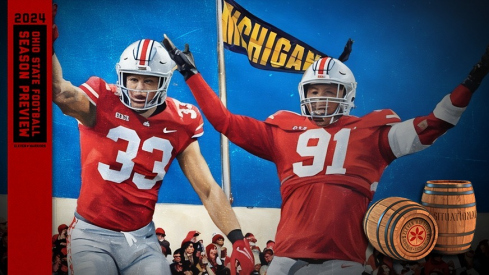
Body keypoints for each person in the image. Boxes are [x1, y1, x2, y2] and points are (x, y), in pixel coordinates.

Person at [162, 34, 489, 275]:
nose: (320, 98)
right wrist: (192, 75)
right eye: (314, 90)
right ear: (303, 94)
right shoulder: (283, 131)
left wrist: (471, 81)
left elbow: (436, 123)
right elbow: (224, 121)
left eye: (329, 90)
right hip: (286, 255)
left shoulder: (373, 133)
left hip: (341, 259)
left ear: (347, 94)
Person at [51, 6, 254, 275]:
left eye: (148, 81)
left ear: (165, 82)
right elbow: (61, 93)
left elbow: (207, 188)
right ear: (122, 75)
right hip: (92, 235)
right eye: (133, 79)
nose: (137, 88)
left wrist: (237, 238)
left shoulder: (182, 119)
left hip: (143, 240)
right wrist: (45, 39)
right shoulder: (101, 99)